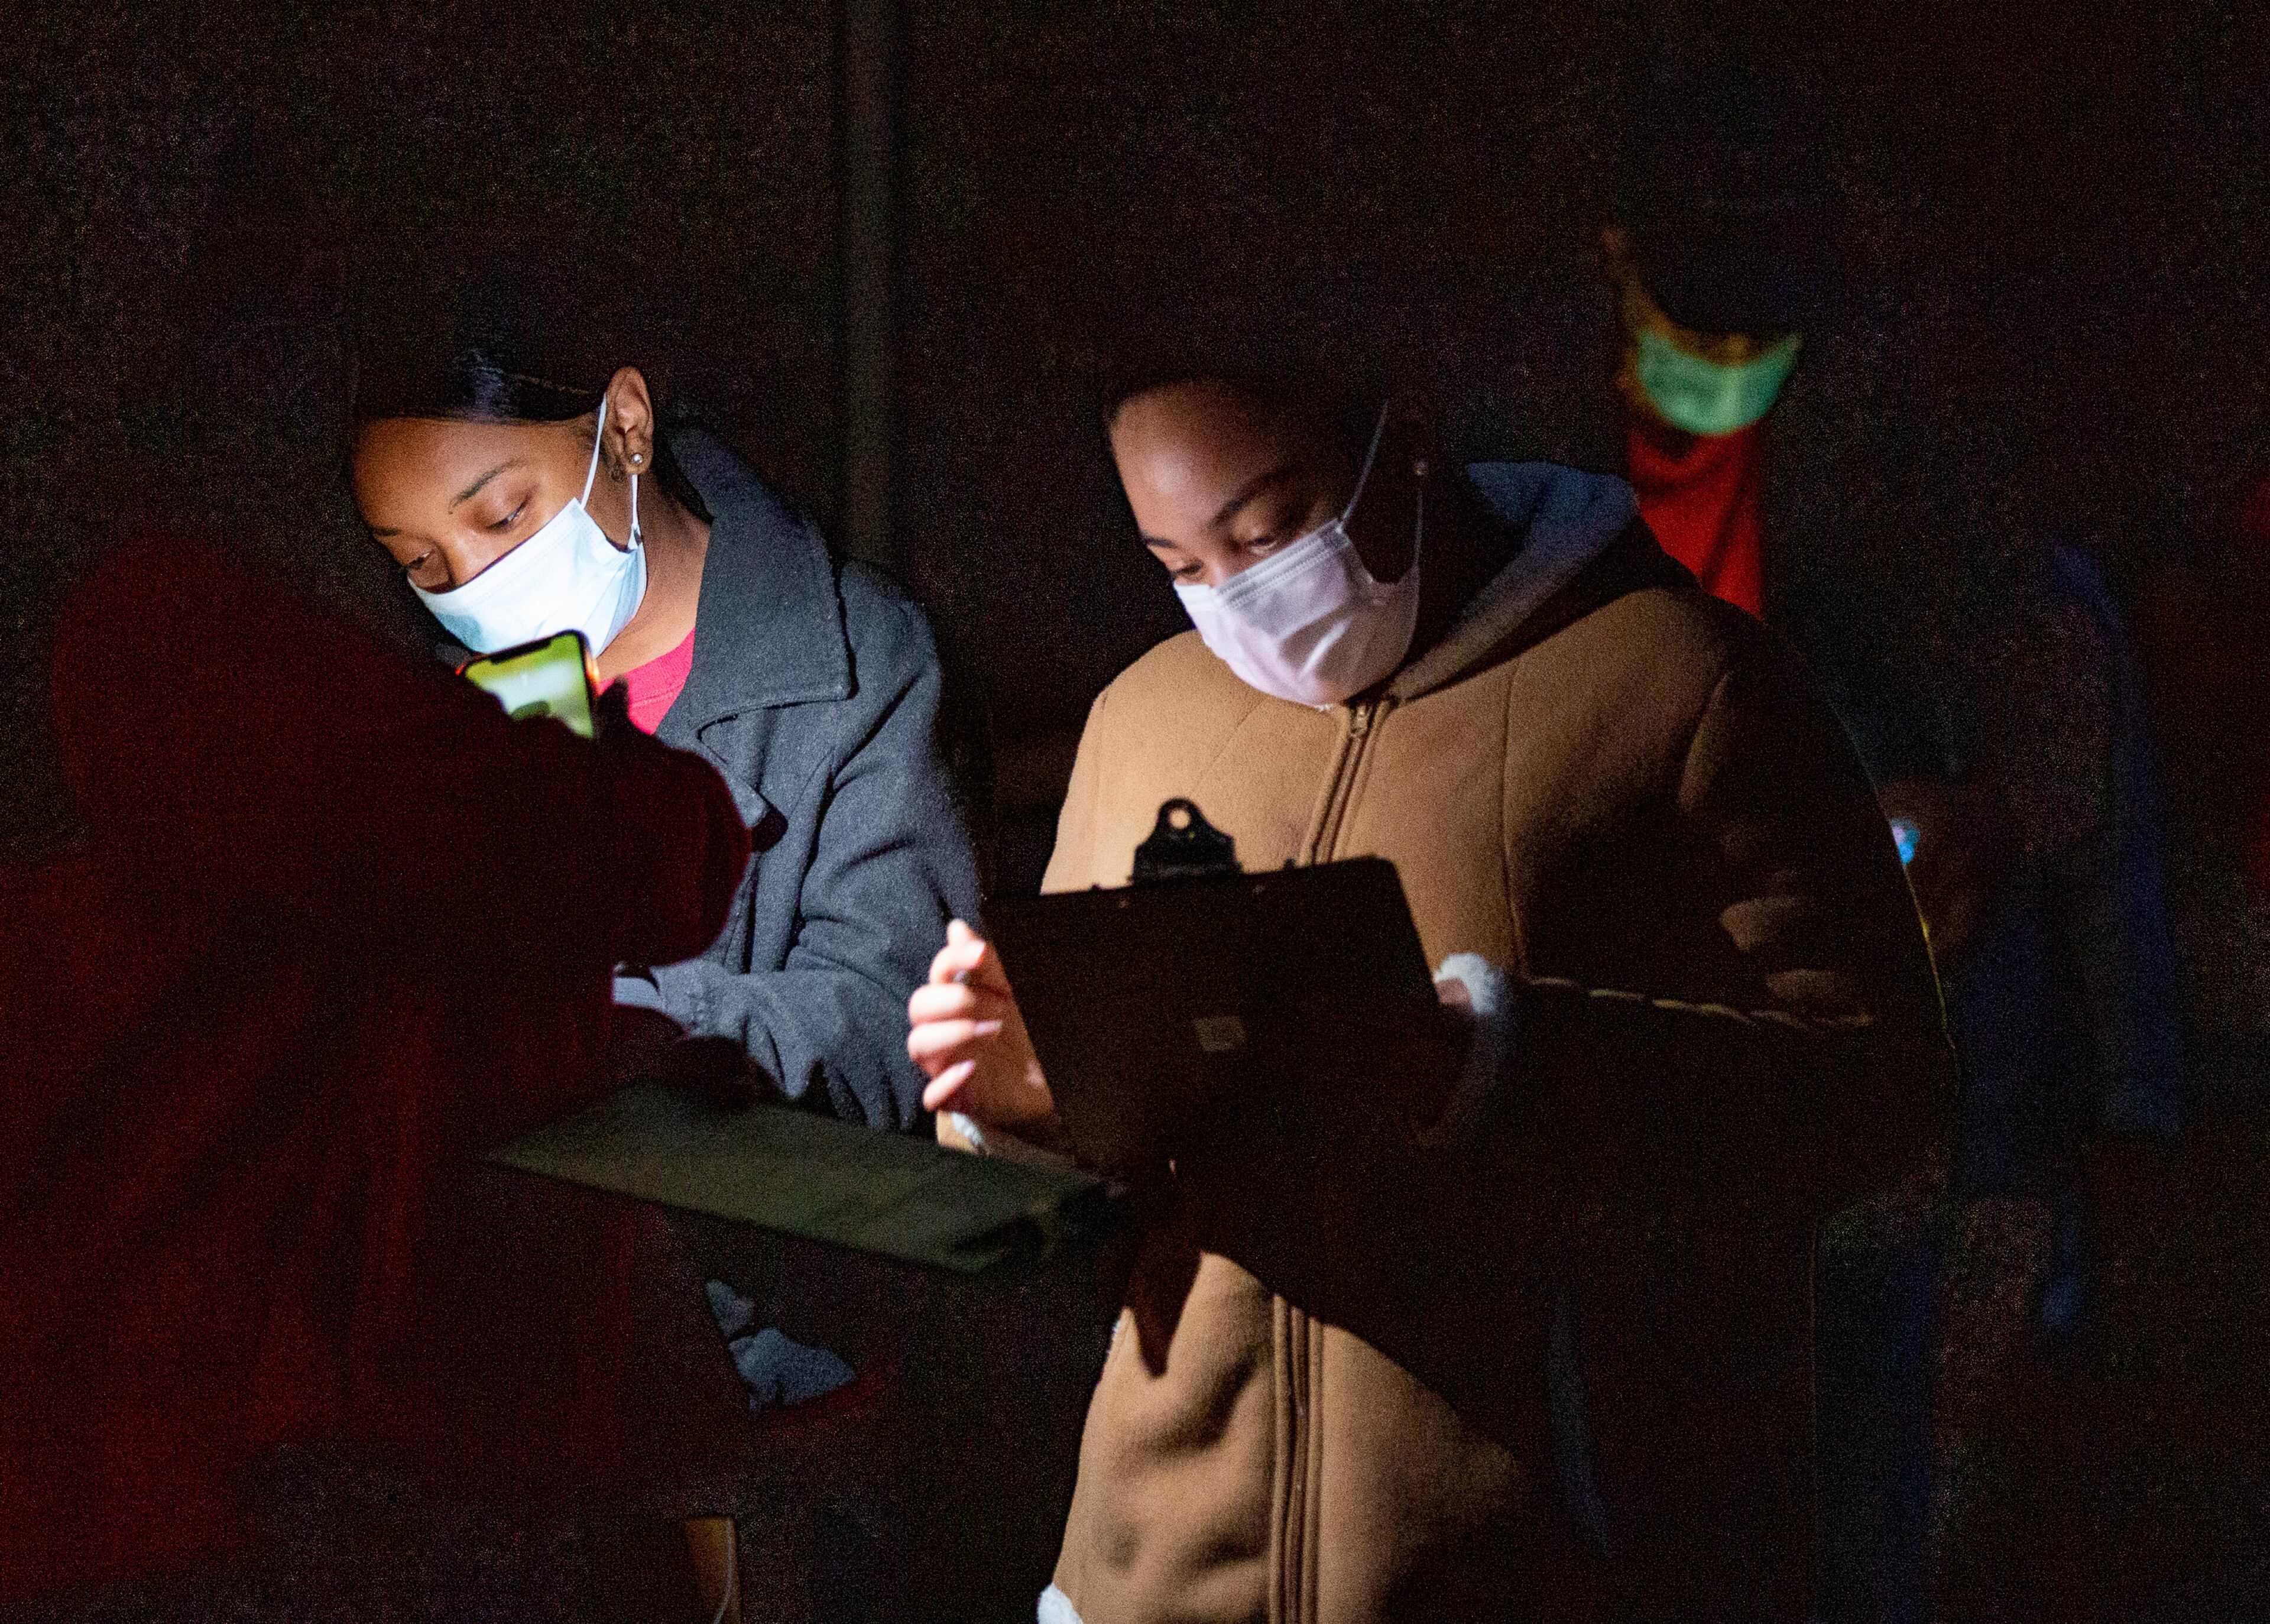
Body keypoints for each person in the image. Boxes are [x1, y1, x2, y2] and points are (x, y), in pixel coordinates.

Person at [909, 365, 1953, 1621]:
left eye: (1267, 529)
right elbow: (1091, 1237)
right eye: (1179, 562)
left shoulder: (1686, 683)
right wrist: (1022, 1105)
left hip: (1532, 1575)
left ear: (1399, 447)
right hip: (1156, 1578)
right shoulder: (1144, 717)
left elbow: (1876, 1095)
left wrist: (1496, 1065)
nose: (1236, 596)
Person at [1, 535, 754, 1616]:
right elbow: (638, 851)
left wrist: (612, 1057)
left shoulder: (133, 698)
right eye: (421, 547)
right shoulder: (172, 637)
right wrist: (563, 735)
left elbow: (295, 1010)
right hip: (211, 1481)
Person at [352, 295, 982, 1128]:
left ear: (625, 428)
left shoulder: (857, 667)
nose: (472, 583)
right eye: (421, 562)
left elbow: (885, 1027)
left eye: (504, 516)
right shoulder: (439, 716)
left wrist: (618, 1023)